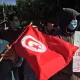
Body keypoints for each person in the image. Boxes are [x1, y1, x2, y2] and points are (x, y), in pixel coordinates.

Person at [50, 8, 80, 80]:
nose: (75, 21)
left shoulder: (77, 35)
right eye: (73, 19)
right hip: (62, 76)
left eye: (76, 19)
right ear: (66, 20)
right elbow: (59, 62)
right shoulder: (56, 38)